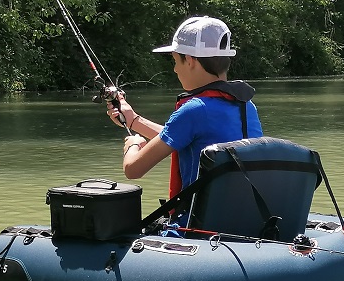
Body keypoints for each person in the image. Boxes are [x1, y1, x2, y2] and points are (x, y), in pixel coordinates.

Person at [107, 16, 263, 223]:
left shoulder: (193, 110)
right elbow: (188, 137)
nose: (174, 69)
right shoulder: (246, 106)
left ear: (189, 60)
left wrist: (133, 144)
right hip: (242, 221)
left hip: (198, 226)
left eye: (174, 60)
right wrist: (134, 120)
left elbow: (133, 169)